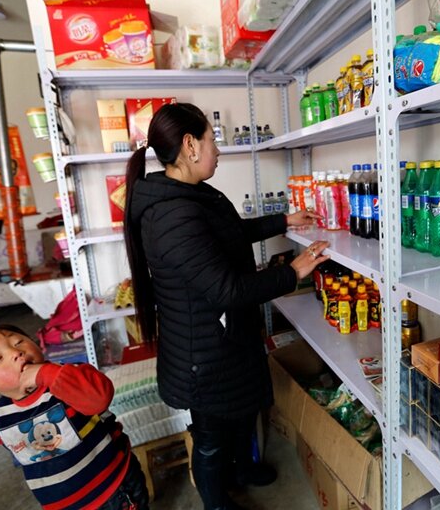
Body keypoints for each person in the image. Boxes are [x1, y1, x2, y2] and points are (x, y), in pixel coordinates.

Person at [124, 103, 329, 510]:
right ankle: (216, 503)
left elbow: (230, 232)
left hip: (222, 341)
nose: (217, 149)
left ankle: (243, 470)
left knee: (240, 415)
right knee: (211, 439)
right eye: (211, 140)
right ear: (190, 146)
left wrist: (284, 221)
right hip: (202, 358)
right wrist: (292, 272)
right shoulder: (171, 215)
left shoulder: (189, 195)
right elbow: (227, 291)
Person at [0, 325, 148, 510]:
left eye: (18, 342)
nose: (16, 352)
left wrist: (47, 374)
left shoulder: (66, 377)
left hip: (114, 488)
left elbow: (97, 399)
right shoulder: (2, 416)